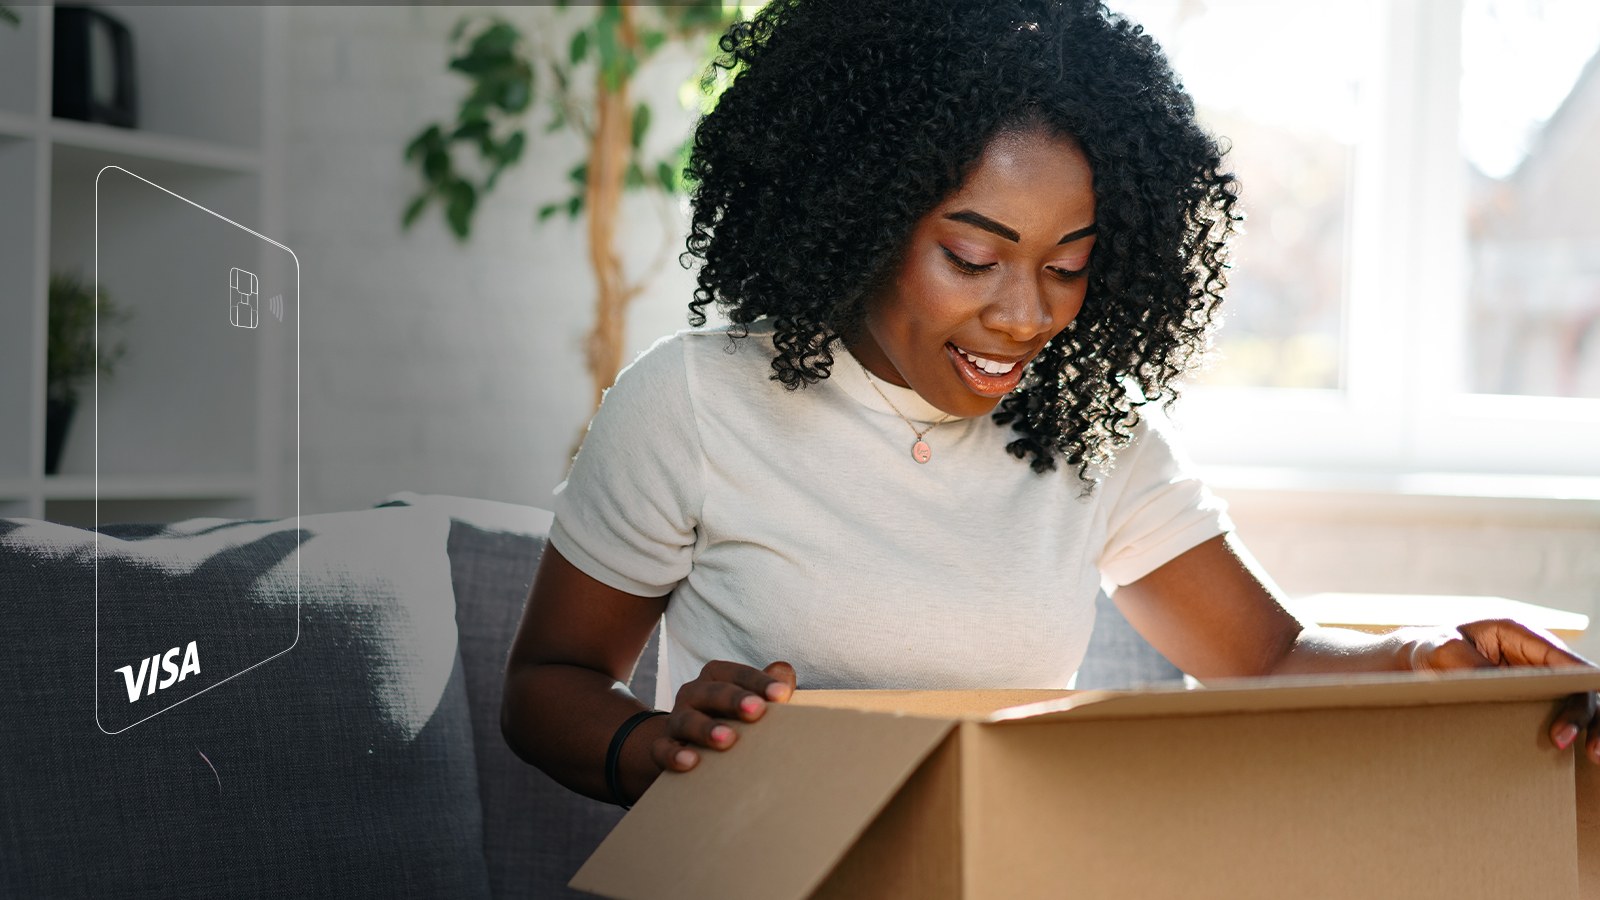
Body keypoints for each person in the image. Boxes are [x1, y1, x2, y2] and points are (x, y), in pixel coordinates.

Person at [501, 0, 1599, 809]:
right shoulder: (695, 402)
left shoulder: (1087, 425)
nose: (1026, 316)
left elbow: (1262, 659)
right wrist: (653, 744)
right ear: (857, 218)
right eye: (973, 256)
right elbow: (548, 684)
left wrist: (1425, 657)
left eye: (1068, 266)